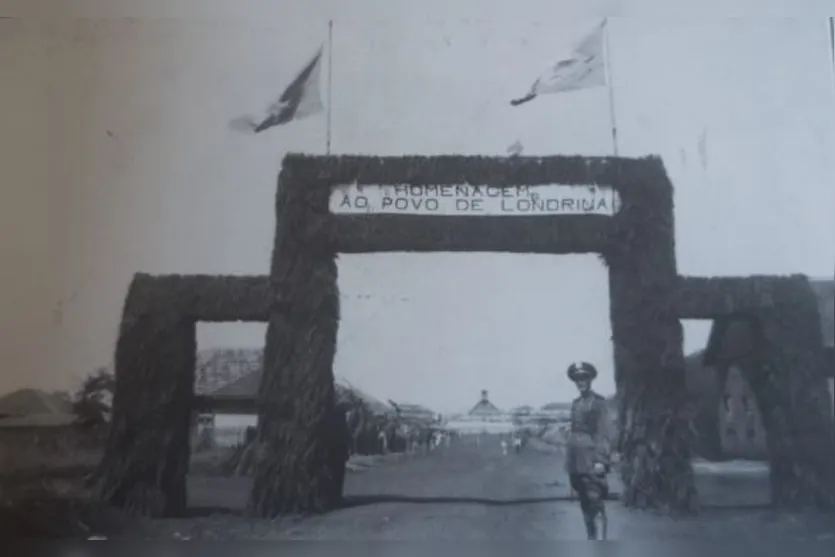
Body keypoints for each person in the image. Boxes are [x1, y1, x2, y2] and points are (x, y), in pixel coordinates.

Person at [565, 361, 614, 541]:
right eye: (577, 379)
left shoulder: (598, 403)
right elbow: (574, 433)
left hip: (592, 461)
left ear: (591, 379)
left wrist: (601, 459)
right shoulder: (576, 403)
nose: (581, 382)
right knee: (585, 505)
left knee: (596, 504)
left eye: (584, 378)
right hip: (576, 463)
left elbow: (604, 432)